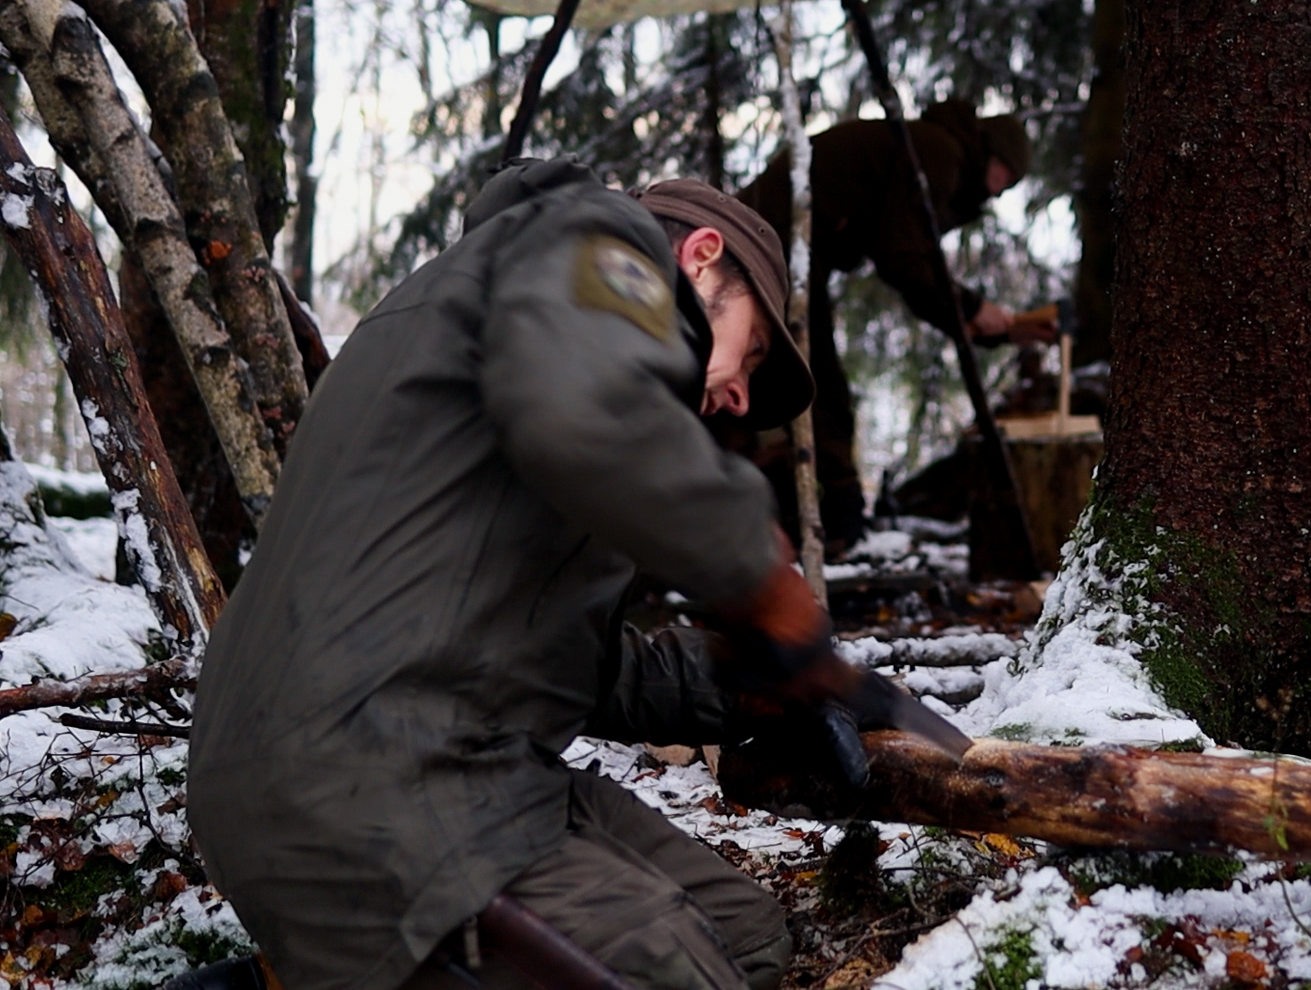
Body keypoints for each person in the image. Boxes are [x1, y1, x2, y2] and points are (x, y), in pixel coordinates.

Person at [187, 159, 853, 990]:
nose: (741, 398)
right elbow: (589, 418)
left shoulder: (539, 323)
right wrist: (765, 581)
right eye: (750, 352)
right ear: (701, 256)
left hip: (451, 753)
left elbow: (560, 655)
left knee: (745, 938)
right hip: (367, 775)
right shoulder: (596, 245)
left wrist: (745, 682)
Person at [736, 98, 1053, 549]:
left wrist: (991, 325)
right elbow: (902, 260)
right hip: (779, 240)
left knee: (798, 375)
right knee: (814, 379)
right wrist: (970, 308)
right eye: (1007, 175)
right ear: (991, 154)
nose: (1002, 190)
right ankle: (838, 518)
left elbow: (913, 262)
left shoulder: (931, 147)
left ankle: (813, 509)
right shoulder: (940, 152)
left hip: (783, 239)